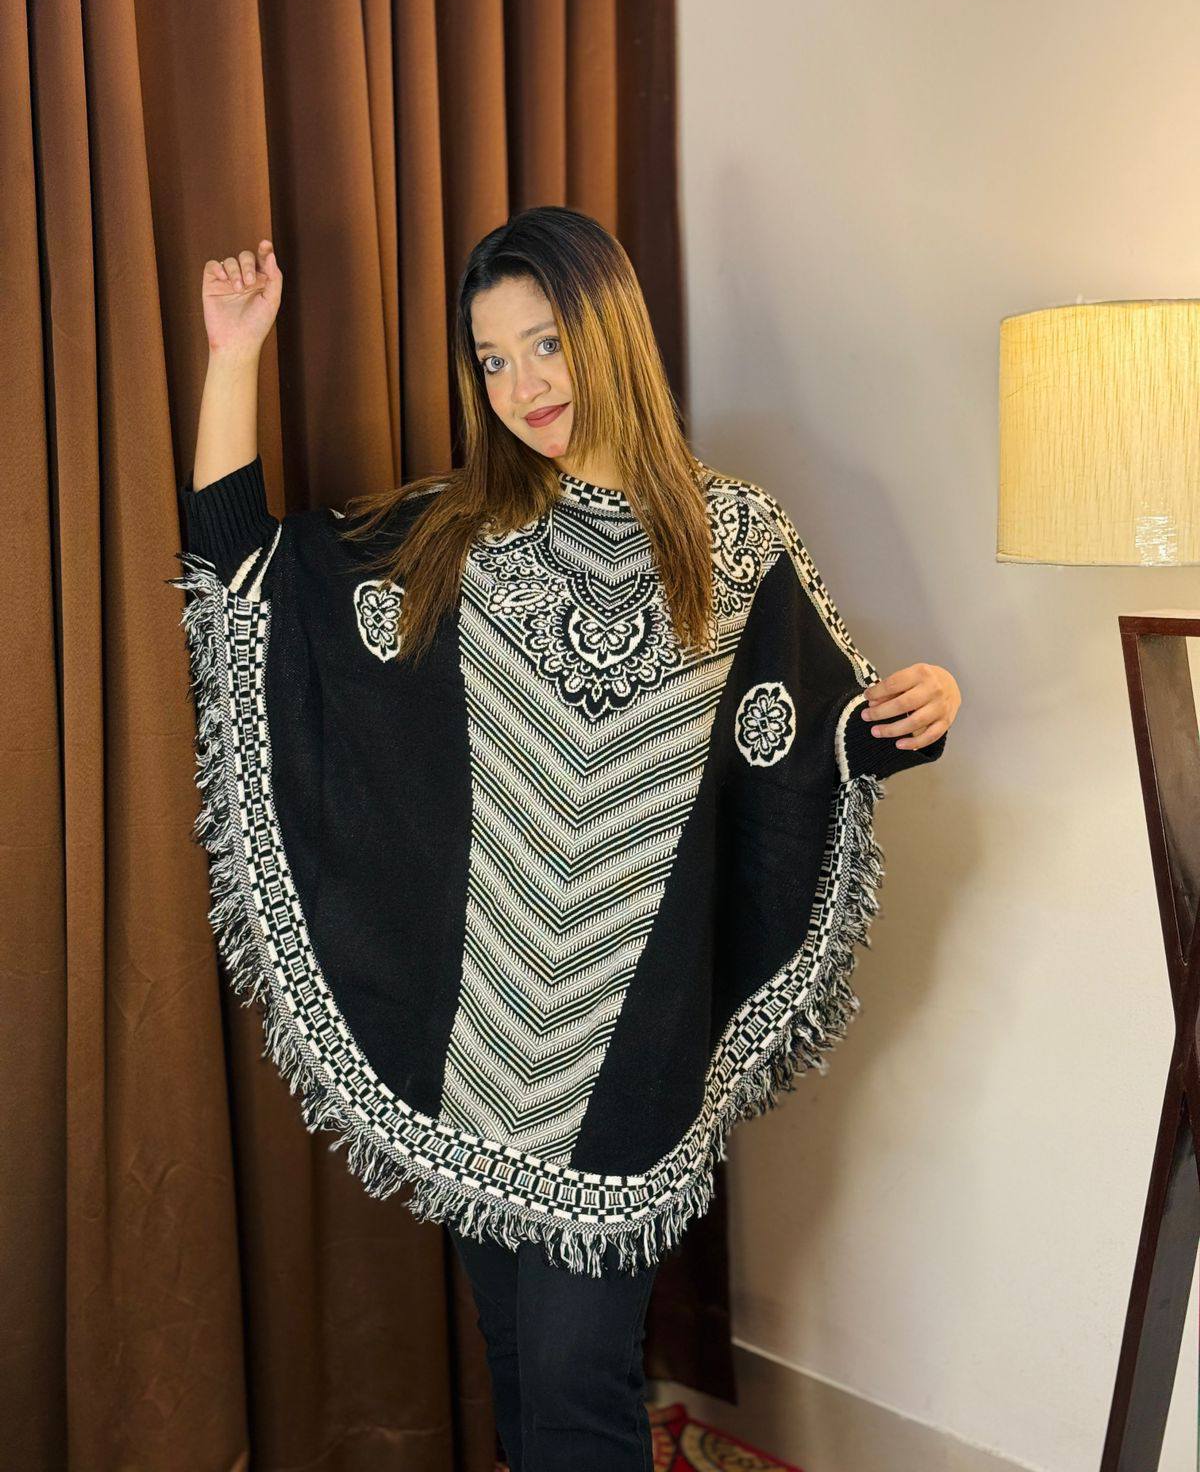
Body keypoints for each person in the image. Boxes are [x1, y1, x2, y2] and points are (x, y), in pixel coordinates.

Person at [171, 205, 961, 1471]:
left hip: (638, 1055)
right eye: (493, 359)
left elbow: (803, 738)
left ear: (608, 330)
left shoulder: (733, 535)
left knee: (580, 1384)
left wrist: (912, 715)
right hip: (480, 1051)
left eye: (546, 343)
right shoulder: (453, 535)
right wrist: (233, 355)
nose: (524, 384)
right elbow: (243, 573)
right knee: (518, 1367)